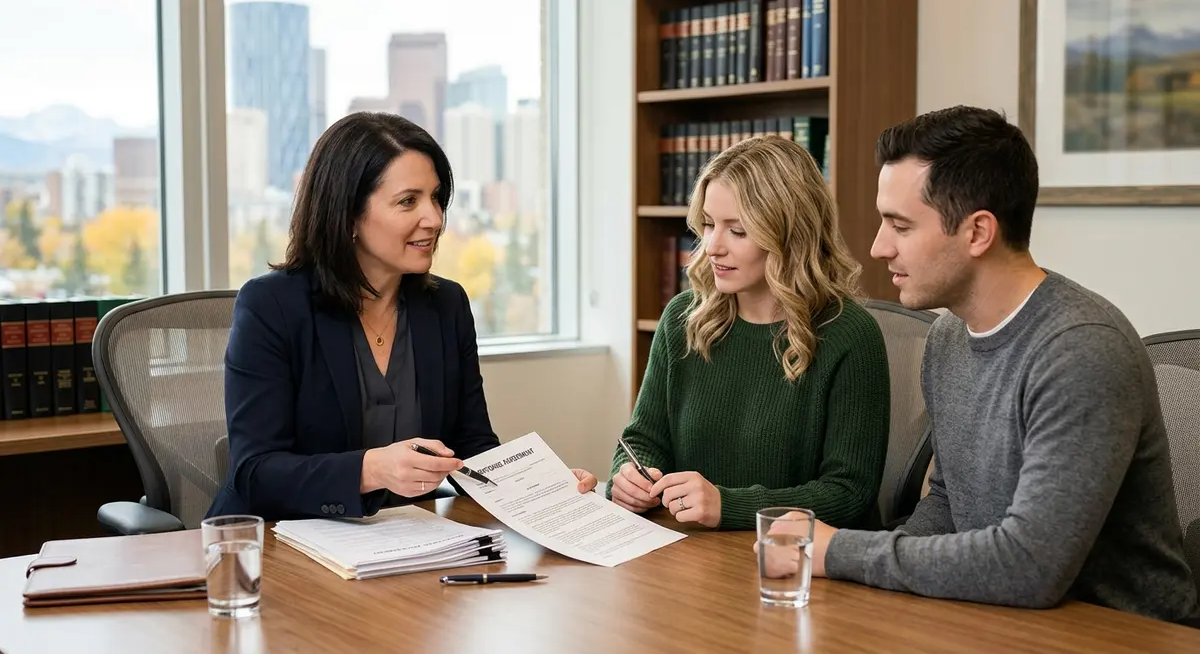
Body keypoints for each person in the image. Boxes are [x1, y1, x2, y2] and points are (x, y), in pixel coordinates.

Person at [775, 105, 1199, 625]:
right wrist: (868, 586)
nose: (878, 247)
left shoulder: (1082, 349)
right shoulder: (949, 336)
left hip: (1119, 632)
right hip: (998, 617)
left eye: (900, 225)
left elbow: (1031, 566)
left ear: (978, 232)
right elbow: (948, 503)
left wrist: (839, 552)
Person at [207, 112, 596, 522]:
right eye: (408, 201)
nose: (435, 219)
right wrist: (371, 469)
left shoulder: (446, 305)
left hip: (404, 538)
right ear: (349, 214)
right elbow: (255, 473)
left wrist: (542, 487)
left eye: (436, 198)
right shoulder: (272, 305)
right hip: (276, 539)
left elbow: (472, 446)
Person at [606, 135, 891, 531]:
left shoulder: (850, 335)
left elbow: (849, 493)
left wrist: (728, 505)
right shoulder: (682, 319)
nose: (712, 247)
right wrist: (628, 478)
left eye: (737, 231)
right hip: (693, 552)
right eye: (709, 224)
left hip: (797, 559)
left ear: (790, 234)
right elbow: (643, 440)